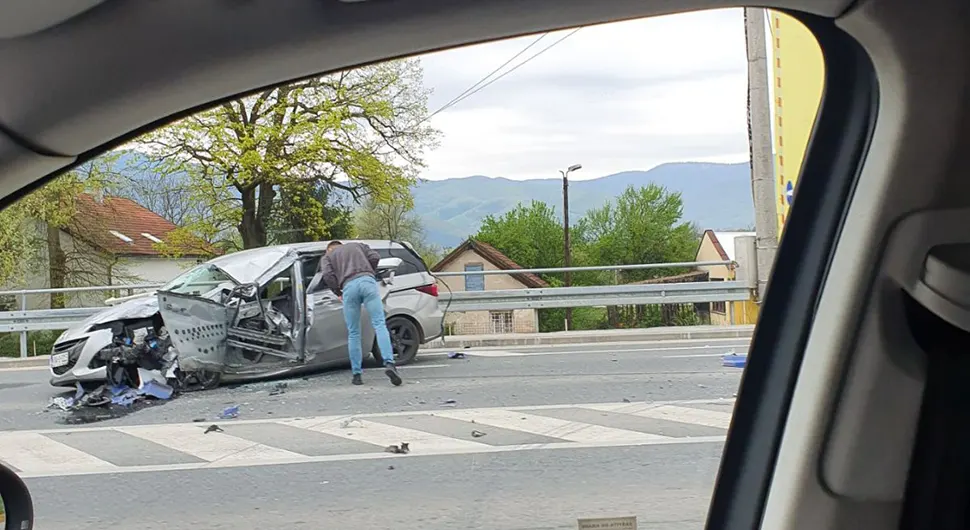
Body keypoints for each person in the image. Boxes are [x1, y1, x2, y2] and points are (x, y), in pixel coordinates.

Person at [315, 240, 402, 386]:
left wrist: (338, 291)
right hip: (367, 282)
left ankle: (357, 374)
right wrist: (369, 272)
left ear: (329, 249)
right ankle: (389, 363)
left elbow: (328, 275)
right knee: (379, 324)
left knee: (354, 332)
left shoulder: (328, 257)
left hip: (348, 286)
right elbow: (375, 257)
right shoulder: (358, 245)